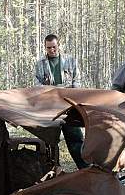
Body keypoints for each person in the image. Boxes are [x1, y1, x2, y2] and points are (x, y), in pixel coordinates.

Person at [34, 34, 88, 169]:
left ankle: (85, 168)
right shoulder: (40, 64)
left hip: (69, 106)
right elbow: (37, 84)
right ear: (45, 48)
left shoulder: (70, 60)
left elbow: (77, 80)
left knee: (75, 139)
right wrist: (51, 91)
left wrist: (73, 96)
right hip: (50, 107)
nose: (52, 50)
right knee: (49, 140)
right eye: (49, 48)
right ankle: (52, 170)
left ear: (59, 45)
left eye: (54, 47)